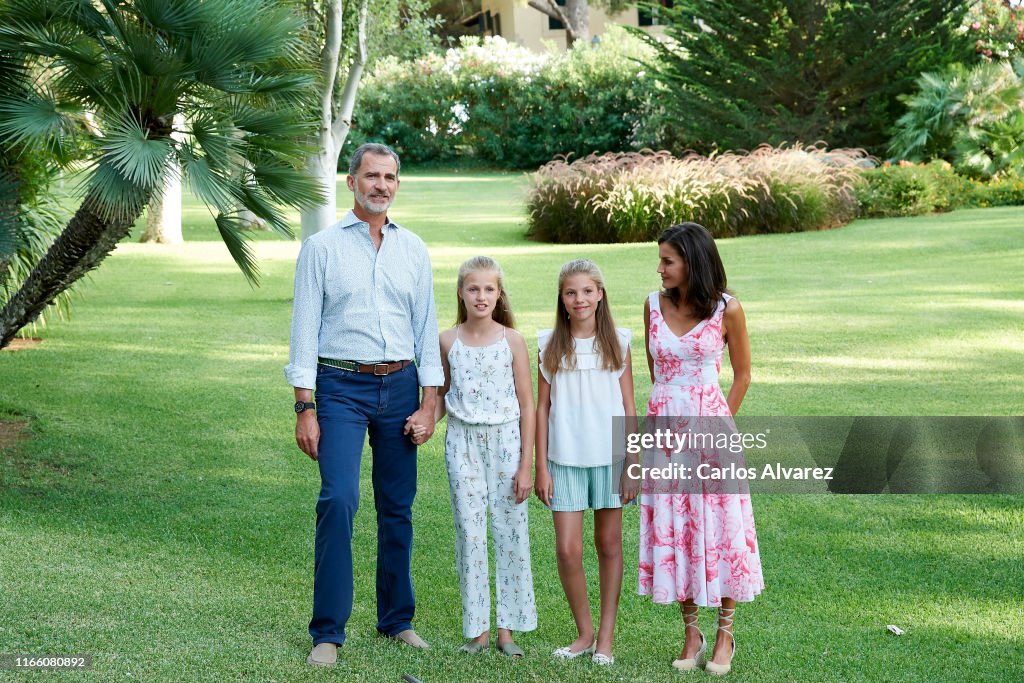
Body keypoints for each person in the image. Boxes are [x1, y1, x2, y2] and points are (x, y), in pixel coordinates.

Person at [285, 143, 442, 667]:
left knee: (397, 507)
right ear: (350, 182)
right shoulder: (322, 248)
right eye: (371, 176)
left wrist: (429, 402)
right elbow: (304, 329)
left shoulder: (413, 249)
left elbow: (424, 328)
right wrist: (304, 406)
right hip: (340, 387)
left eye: (391, 177)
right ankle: (327, 631)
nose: (382, 185)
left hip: (400, 387)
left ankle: (396, 619)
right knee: (339, 499)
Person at [638, 223, 764, 676]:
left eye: (668, 260)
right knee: (677, 533)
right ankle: (692, 633)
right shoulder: (653, 305)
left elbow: (743, 374)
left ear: (693, 261)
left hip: (712, 436)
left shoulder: (728, 309)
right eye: (661, 259)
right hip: (666, 434)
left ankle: (726, 632)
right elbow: (658, 374)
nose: (660, 268)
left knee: (721, 530)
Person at [431, 256, 538, 657]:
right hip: (462, 443)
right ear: (461, 291)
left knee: (510, 531)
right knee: (470, 532)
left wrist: (525, 464)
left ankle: (506, 632)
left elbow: (528, 404)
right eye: (473, 288)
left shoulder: (512, 340)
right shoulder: (447, 340)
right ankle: (477, 630)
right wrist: (424, 421)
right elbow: (442, 398)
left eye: (489, 289)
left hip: (507, 443)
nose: (481, 296)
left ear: (499, 293)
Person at [534, 259, 638, 667]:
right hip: (564, 459)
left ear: (600, 294)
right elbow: (541, 409)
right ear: (561, 299)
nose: (579, 299)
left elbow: (629, 405)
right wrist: (541, 466)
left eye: (587, 291)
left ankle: (606, 639)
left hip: (611, 458)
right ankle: (584, 632)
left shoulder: (619, 341)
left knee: (609, 545)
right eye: (570, 292)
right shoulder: (547, 344)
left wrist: (633, 460)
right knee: (567, 550)